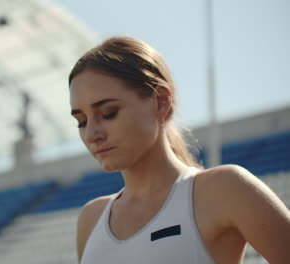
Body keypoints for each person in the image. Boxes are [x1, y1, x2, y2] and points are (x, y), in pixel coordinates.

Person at [69, 36, 290, 264]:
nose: (91, 135)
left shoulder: (225, 190)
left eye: (109, 113)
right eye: (81, 121)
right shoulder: (91, 218)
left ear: (161, 101)